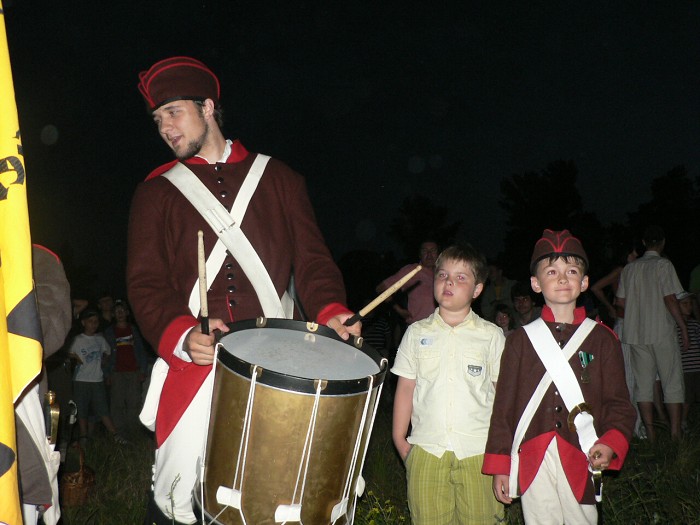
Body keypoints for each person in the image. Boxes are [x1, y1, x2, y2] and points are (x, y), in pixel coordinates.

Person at [127, 56, 360, 524]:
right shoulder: (156, 193)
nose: (165, 129)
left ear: (208, 107)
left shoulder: (280, 180)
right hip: (199, 362)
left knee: (283, 496)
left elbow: (313, 262)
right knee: (177, 501)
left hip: (279, 355)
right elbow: (145, 282)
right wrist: (179, 333)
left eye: (174, 112)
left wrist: (332, 308)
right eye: (157, 120)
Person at [483, 230, 636, 525]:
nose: (563, 278)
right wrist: (501, 464)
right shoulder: (520, 341)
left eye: (572, 271)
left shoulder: (603, 339)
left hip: (581, 451)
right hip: (533, 454)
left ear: (585, 282)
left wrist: (611, 442)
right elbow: (504, 408)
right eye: (552, 271)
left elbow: (619, 403)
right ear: (535, 283)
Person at [392, 244, 505, 524]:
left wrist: (502, 452)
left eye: (461, 277)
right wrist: (400, 441)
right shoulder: (416, 333)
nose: (449, 282)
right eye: (442, 275)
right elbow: (405, 389)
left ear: (477, 289)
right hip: (427, 449)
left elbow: (502, 396)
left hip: (479, 452)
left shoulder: (491, 335)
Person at [616, 225, 688, 441]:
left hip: (636, 333)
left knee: (644, 385)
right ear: (663, 242)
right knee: (672, 381)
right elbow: (670, 298)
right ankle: (675, 433)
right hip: (661, 331)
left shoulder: (629, 269)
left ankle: (651, 433)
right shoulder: (663, 265)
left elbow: (620, 302)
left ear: (644, 243)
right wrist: (683, 327)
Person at [68, 309, 127, 446]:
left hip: (97, 380)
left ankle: (115, 435)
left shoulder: (100, 339)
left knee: (102, 409)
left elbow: (108, 351)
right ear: (83, 323)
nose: (93, 324)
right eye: (90, 322)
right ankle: (83, 437)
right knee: (81, 410)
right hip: (81, 380)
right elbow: (68, 352)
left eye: (96, 322)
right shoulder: (78, 340)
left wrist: (105, 361)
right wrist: (75, 358)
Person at [103, 300, 148, 436]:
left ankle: (134, 432)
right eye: (117, 312)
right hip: (116, 372)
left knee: (134, 402)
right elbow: (105, 355)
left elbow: (141, 351)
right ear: (113, 315)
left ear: (127, 313)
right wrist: (107, 374)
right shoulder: (109, 332)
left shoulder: (134, 330)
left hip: (134, 371)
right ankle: (119, 433)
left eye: (122, 311)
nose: (120, 313)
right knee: (117, 404)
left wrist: (143, 370)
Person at [376, 240, 438, 325]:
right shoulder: (412, 270)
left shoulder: (443, 273)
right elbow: (381, 288)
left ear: (438, 254)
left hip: (440, 329)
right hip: (418, 329)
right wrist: (399, 310)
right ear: (420, 255)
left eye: (433, 250)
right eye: (424, 251)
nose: (429, 254)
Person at [676, 291, 700, 433]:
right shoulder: (674, 327)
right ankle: (683, 422)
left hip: (697, 366)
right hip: (685, 369)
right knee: (687, 398)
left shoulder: (695, 325)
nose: (689, 307)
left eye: (690, 303)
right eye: (684, 304)